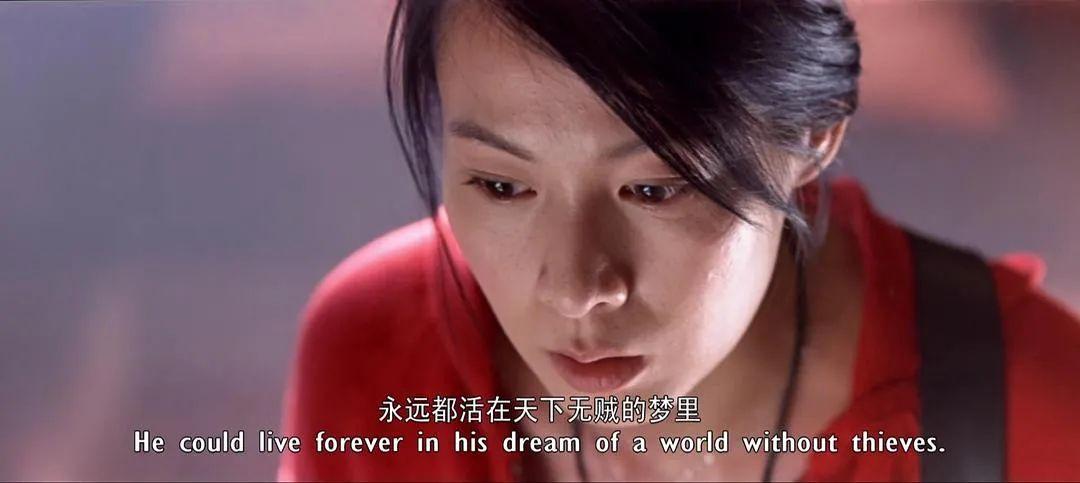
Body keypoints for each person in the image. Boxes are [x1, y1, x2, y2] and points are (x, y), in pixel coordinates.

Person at [278, 0, 1080, 481]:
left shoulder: (1033, 416)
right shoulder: (378, 353)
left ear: (811, 134)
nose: (575, 287)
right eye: (501, 185)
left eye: (654, 188)